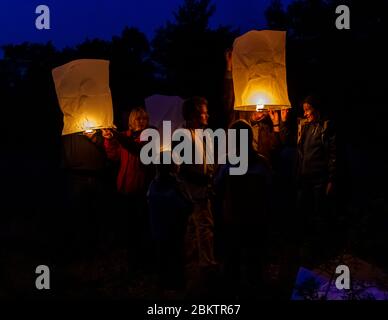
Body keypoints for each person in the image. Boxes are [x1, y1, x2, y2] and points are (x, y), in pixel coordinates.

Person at [215, 119, 274, 298]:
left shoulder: (227, 164)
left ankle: (232, 294)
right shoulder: (262, 164)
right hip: (256, 220)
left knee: (232, 262)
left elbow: (217, 189)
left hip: (233, 220)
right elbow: (270, 191)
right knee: (254, 261)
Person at [102, 107, 155, 278]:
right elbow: (114, 156)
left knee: (141, 227)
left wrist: (117, 136)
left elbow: (137, 150)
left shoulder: (150, 135)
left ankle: (144, 264)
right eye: (138, 118)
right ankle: (131, 263)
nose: (142, 121)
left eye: (144, 118)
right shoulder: (125, 136)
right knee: (128, 228)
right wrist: (109, 140)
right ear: (131, 120)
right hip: (124, 188)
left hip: (140, 189)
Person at [179, 96, 218, 297]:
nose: (207, 114)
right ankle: (205, 267)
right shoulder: (183, 135)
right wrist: (202, 181)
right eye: (204, 111)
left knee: (201, 229)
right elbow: (181, 168)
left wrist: (210, 175)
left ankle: (198, 265)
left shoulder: (200, 134)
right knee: (202, 228)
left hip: (202, 192)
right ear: (194, 114)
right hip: (193, 194)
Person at [223, 49, 290, 165]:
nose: (261, 111)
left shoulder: (264, 129)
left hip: (256, 169)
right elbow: (227, 98)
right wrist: (229, 67)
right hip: (237, 166)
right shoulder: (238, 118)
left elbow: (276, 148)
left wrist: (276, 124)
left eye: (264, 110)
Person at [295, 96, 336, 262]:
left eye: (308, 109)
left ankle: (321, 251)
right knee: (304, 213)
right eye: (304, 110)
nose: (306, 113)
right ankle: (306, 249)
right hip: (305, 179)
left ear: (317, 109)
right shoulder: (306, 128)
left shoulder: (326, 128)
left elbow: (333, 155)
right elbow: (301, 151)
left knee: (319, 213)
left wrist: (331, 180)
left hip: (319, 180)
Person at [147, 151, 193, 297]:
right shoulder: (176, 185)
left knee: (162, 256)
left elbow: (149, 201)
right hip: (174, 229)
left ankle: (163, 284)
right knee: (176, 256)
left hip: (158, 229)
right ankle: (177, 284)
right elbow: (187, 204)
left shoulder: (153, 184)